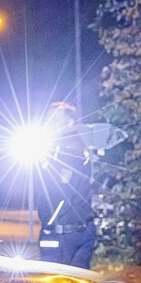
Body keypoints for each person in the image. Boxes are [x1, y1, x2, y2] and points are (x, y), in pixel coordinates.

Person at [38, 110, 96, 269]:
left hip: (61, 232)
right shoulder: (81, 148)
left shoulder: (61, 152)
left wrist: (49, 225)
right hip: (84, 228)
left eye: (53, 120)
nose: (48, 123)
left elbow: (60, 193)